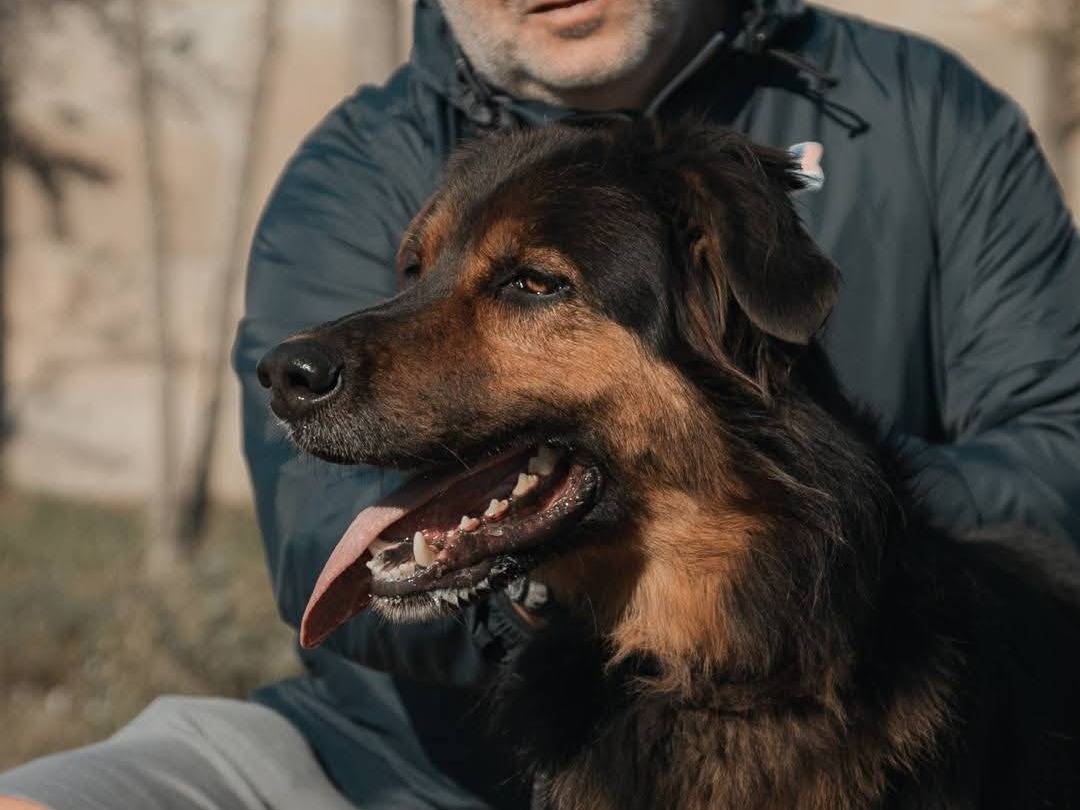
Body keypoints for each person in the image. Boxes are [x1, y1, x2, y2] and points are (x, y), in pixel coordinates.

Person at [2, 0, 1078, 808]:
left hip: (888, 667)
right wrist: (519, 559)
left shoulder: (917, 113)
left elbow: (1060, 444)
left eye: (530, 286)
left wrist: (816, 543)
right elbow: (323, 551)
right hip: (390, 763)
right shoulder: (367, 156)